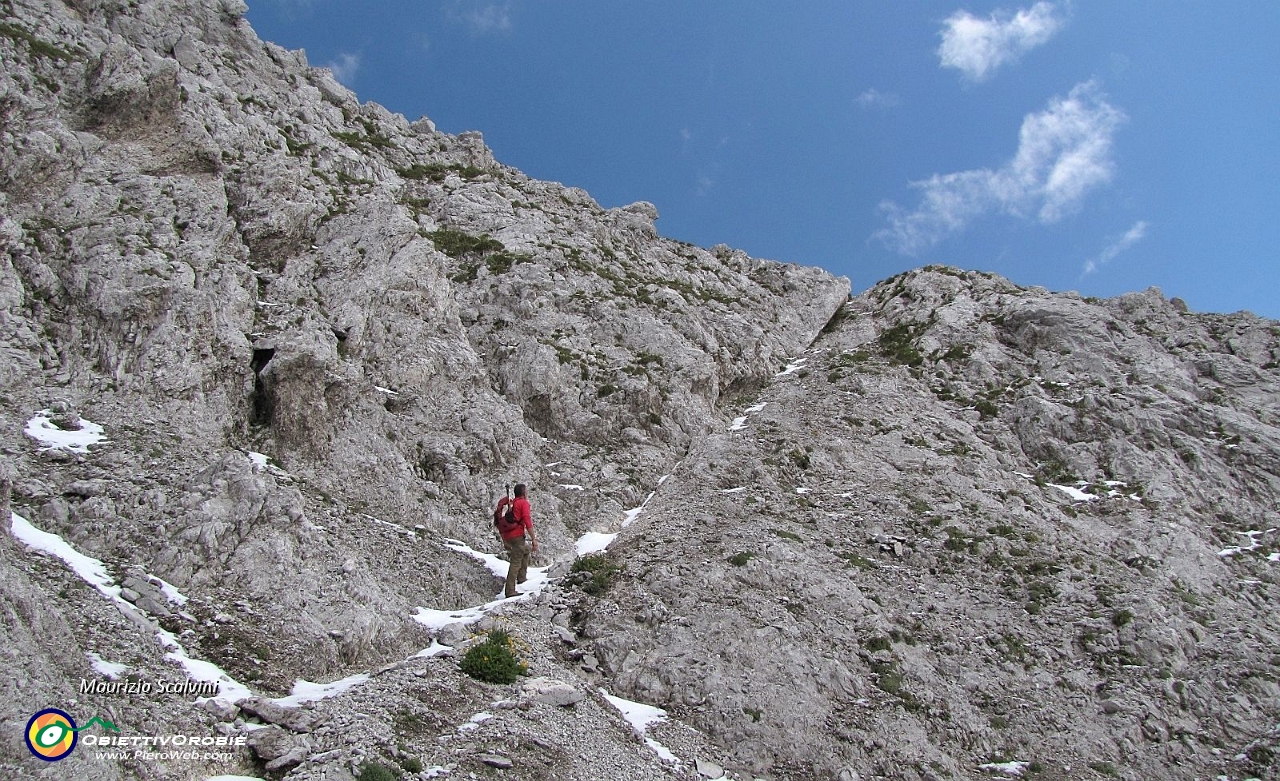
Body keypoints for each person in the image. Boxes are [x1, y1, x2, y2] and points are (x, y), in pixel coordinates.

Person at [498, 483, 538, 598]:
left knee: (525, 551)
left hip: (509, 536)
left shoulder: (512, 503)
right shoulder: (523, 503)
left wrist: (504, 540)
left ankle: (522, 578)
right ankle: (510, 591)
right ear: (524, 492)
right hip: (517, 536)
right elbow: (527, 520)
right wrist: (533, 539)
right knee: (515, 562)